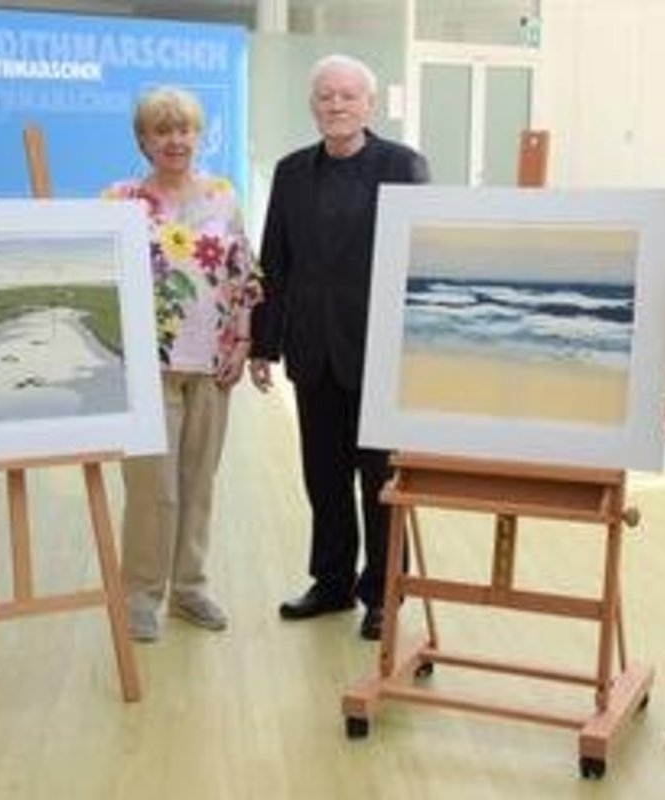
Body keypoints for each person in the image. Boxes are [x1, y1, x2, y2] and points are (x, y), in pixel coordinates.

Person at [249, 54, 430, 641]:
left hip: (379, 353)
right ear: (312, 104)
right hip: (312, 348)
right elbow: (275, 258)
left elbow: (422, 260)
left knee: (380, 479)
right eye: (325, 95)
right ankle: (330, 583)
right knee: (322, 476)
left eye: (348, 96)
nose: (336, 105)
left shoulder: (403, 166)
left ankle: (383, 593)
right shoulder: (291, 171)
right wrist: (263, 342)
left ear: (369, 105)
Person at [104, 87, 262, 643]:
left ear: (199, 135)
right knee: (153, 489)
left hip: (213, 362)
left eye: (185, 129)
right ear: (143, 140)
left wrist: (242, 341)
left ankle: (190, 587)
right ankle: (140, 594)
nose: (176, 140)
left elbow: (244, 272)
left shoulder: (223, 195)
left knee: (199, 482)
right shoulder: (120, 199)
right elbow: (101, 284)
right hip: (147, 369)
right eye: (162, 130)